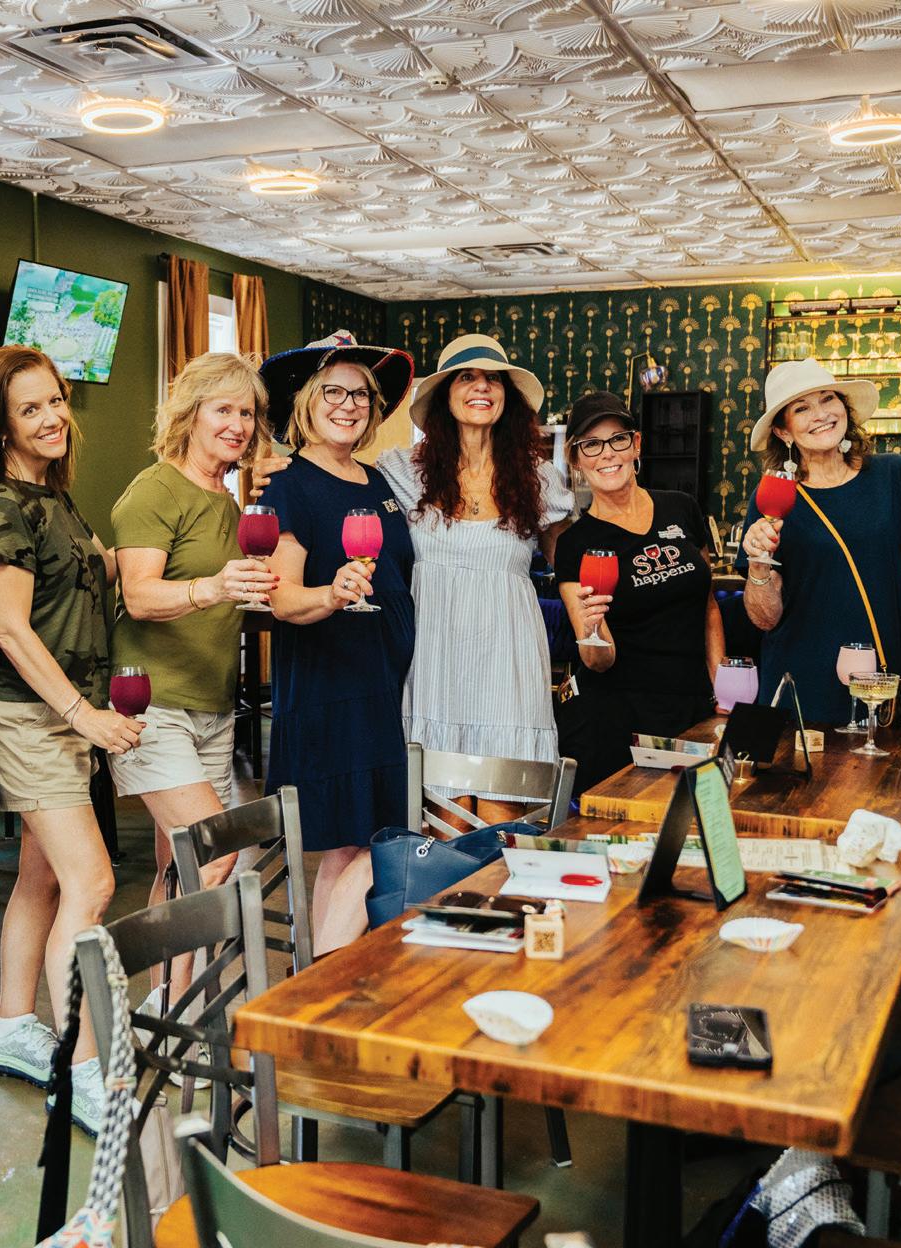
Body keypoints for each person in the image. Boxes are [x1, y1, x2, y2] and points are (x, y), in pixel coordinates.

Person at [0, 345, 141, 1134]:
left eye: (56, 400)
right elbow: (8, 627)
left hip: (63, 712)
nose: (51, 417)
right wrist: (81, 713)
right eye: (29, 408)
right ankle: (82, 1067)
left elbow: (95, 576)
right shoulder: (1, 503)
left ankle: (12, 1027)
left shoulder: (53, 498)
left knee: (41, 877)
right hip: (32, 715)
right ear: (0, 425)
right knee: (92, 883)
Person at [257, 331, 417, 952]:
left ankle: (329, 969)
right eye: (333, 392)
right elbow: (281, 598)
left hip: (383, 687)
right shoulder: (289, 484)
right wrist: (330, 593)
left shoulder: (377, 480)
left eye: (360, 395)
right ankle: (319, 977)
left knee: (371, 840)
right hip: (330, 689)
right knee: (352, 846)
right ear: (306, 402)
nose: (348, 405)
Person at [379, 333, 572, 824]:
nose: (481, 387)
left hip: (508, 662)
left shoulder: (539, 480)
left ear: (508, 397)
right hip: (434, 660)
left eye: (493, 378)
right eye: (467, 377)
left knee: (501, 821)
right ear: (445, 395)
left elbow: (572, 566)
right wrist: (282, 468)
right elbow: (337, 482)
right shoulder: (404, 473)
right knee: (445, 824)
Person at [109, 353, 276, 910]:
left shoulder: (227, 500)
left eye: (247, 413)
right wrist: (213, 588)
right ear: (189, 413)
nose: (238, 424)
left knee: (177, 867)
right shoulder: (156, 489)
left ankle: (166, 973)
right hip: (153, 706)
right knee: (215, 852)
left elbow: (229, 596)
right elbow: (138, 595)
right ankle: (163, 971)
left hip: (212, 706)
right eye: (223, 409)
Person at [738, 359, 901, 726]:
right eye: (802, 408)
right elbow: (765, 619)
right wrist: (759, 564)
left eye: (828, 398)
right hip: (800, 687)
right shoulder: (773, 498)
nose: (821, 414)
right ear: (783, 432)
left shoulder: (894, 476)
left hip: (879, 686)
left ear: (845, 407)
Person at [555, 389, 726, 798]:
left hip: (692, 707)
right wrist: (593, 625)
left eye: (617, 439)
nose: (607, 454)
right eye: (591, 444)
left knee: (699, 819)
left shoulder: (682, 508)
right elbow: (597, 660)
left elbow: (708, 608)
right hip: (617, 719)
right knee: (623, 830)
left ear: (636, 445)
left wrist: (724, 693)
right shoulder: (576, 543)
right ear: (576, 459)